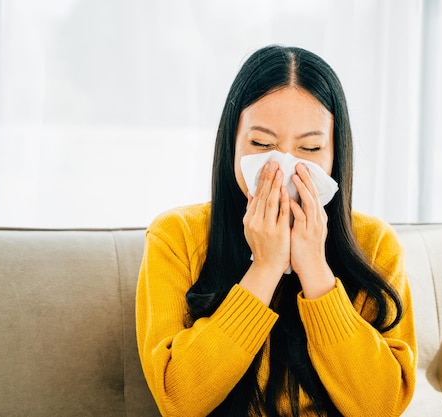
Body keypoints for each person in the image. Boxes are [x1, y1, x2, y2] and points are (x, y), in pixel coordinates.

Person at [135, 45, 417, 417]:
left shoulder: (376, 244)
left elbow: (382, 406)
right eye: (262, 144)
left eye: (310, 147)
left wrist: (315, 271)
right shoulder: (176, 236)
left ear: (335, 154)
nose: (283, 166)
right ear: (231, 144)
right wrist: (265, 267)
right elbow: (179, 400)